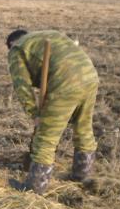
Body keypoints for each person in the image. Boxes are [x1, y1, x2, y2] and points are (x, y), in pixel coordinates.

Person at [6, 29, 99, 194]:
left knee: (46, 136)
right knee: (83, 126)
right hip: (90, 76)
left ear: (11, 43)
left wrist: (34, 114)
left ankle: (35, 186)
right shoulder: (48, 36)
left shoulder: (17, 49)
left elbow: (22, 86)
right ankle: (82, 174)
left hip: (65, 83)